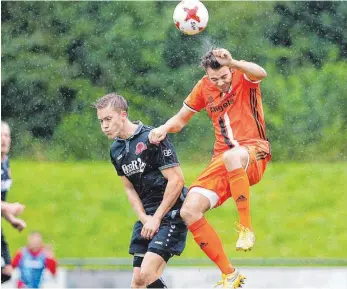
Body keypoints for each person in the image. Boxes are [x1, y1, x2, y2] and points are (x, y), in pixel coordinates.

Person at [149, 48, 271, 288]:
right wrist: (163, 128)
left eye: (224, 77)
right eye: (214, 79)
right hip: (222, 159)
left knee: (232, 158)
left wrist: (234, 62)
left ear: (230, 70)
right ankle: (229, 274)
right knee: (188, 210)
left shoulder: (242, 74)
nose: (221, 83)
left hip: (255, 151)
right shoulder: (204, 87)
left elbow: (262, 73)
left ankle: (246, 228)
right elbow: (181, 118)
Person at [94, 93, 188, 288]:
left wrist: (157, 218)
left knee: (147, 274)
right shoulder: (116, 150)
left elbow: (177, 180)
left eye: (108, 119)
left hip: (170, 214)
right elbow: (129, 188)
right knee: (137, 282)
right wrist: (144, 217)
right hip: (147, 217)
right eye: (101, 121)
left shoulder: (152, 137)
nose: (104, 126)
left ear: (123, 115)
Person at [1, 121, 27, 284]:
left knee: (7, 271)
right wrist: (10, 207)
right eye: (0, 135)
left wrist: (12, 219)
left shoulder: (6, 163)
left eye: (6, 135)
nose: (3, 139)